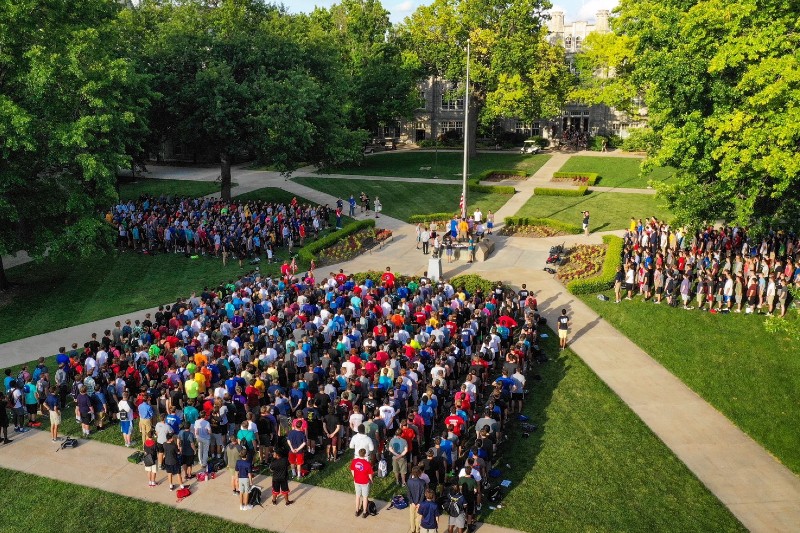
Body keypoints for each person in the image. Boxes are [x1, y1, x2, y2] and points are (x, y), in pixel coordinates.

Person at [350, 447, 373, 519]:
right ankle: (364, 512)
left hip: (357, 481)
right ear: (365, 454)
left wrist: (354, 477)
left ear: (359, 454)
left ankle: (357, 511)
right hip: (365, 482)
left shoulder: (354, 461)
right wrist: (371, 480)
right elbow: (370, 474)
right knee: (365, 497)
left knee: (357, 496)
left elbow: (352, 470)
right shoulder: (367, 464)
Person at [407, 466, 427, 533]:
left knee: (412, 516)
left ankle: (413, 530)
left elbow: (408, 492)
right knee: (418, 517)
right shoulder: (422, 482)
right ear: (419, 473)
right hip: (419, 503)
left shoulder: (409, 481)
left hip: (412, 502)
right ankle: (417, 530)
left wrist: (412, 502)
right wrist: (419, 503)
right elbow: (423, 494)